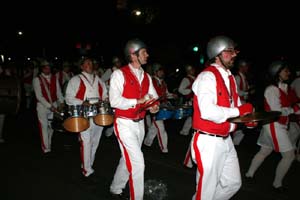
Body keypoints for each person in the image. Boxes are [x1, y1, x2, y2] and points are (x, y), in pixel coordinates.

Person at [190, 35, 256, 200]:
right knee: (206, 191)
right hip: (208, 141)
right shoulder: (207, 77)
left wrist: (247, 119)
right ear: (217, 54)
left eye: (234, 51)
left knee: (233, 184)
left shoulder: (230, 78)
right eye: (229, 51)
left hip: (226, 139)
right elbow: (208, 111)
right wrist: (239, 111)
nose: (234, 55)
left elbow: (237, 108)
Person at [109, 38, 159, 200]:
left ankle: (116, 187)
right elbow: (114, 101)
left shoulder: (146, 76)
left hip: (140, 124)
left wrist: (154, 106)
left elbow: (153, 97)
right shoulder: (119, 74)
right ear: (133, 55)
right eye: (144, 52)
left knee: (128, 158)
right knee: (138, 163)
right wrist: (137, 101)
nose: (147, 55)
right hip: (124, 123)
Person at [245, 61, 300, 193]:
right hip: (274, 124)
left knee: (264, 151)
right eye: (285, 70)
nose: (289, 72)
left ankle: (249, 175)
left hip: (276, 124)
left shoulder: (285, 88)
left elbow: (293, 105)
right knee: (289, 155)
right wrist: (294, 109)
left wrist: (295, 108)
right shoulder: (272, 89)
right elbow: (277, 111)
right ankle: (277, 184)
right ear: (277, 72)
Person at [65, 57, 108, 181]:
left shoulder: (99, 79)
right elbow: (68, 98)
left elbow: (105, 93)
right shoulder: (75, 79)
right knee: (86, 142)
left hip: (98, 115)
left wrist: (105, 99)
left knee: (95, 142)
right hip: (83, 114)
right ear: (82, 67)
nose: (90, 64)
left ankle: (88, 164)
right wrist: (83, 103)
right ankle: (86, 170)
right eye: (87, 63)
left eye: (91, 63)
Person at [143, 63, 176, 153]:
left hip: (162, 107)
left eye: (162, 71)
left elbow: (166, 94)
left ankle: (147, 142)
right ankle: (164, 149)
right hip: (154, 108)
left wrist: (172, 95)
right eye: (160, 71)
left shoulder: (163, 83)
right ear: (155, 72)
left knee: (154, 127)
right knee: (161, 128)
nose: (162, 73)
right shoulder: (152, 81)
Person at [32, 60, 64, 154]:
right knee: (44, 126)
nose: (48, 69)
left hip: (53, 104)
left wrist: (61, 102)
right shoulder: (37, 80)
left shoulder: (54, 78)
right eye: (45, 67)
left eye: (49, 67)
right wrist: (50, 106)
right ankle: (46, 148)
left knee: (51, 127)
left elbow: (58, 92)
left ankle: (48, 144)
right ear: (42, 68)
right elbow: (39, 96)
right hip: (42, 106)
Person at [232, 59, 251, 145]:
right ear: (241, 67)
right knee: (240, 125)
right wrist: (247, 92)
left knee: (241, 125)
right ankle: (234, 143)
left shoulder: (244, 78)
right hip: (237, 104)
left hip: (243, 103)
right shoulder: (237, 77)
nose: (247, 68)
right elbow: (236, 91)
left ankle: (235, 143)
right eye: (246, 66)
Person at [178, 64, 196, 136]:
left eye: (192, 69)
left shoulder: (195, 78)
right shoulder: (186, 79)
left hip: (195, 100)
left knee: (191, 117)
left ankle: (184, 131)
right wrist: (190, 90)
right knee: (193, 116)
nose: (193, 70)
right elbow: (180, 90)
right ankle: (193, 132)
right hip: (190, 101)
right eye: (191, 69)